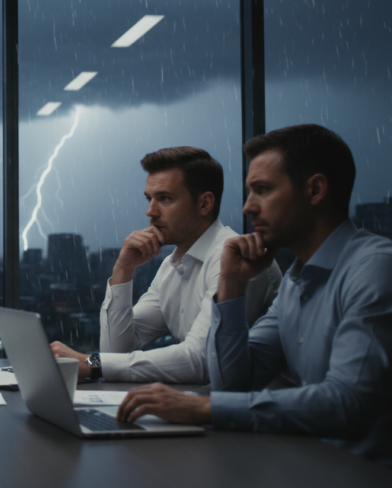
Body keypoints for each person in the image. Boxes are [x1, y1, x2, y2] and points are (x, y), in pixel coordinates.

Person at [117, 125, 392, 469]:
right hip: (305, 463)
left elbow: (347, 404)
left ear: (315, 190)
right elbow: (233, 383)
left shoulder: (375, 268)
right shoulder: (297, 279)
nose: (248, 207)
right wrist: (232, 285)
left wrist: (204, 408)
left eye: (262, 190)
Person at [51, 147, 281, 383]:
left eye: (165, 199)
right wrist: (123, 269)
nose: (150, 212)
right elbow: (117, 351)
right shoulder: (171, 266)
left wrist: (92, 363)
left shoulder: (236, 259)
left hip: (245, 413)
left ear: (205, 204)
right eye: (149, 199)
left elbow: (200, 360)